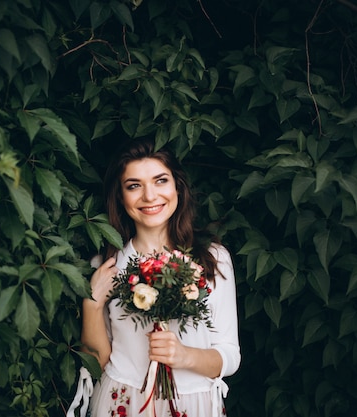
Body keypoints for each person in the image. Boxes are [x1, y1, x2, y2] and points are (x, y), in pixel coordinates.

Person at [75, 138, 240, 417]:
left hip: (191, 403)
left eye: (160, 181)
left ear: (177, 186)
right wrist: (91, 304)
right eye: (134, 186)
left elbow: (230, 355)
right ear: (120, 196)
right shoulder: (106, 265)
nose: (150, 196)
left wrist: (184, 355)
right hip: (123, 402)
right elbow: (96, 361)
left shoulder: (212, 259)